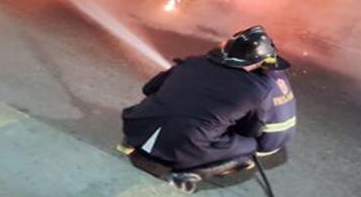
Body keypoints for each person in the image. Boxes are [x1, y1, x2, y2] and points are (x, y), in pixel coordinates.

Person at [120, 26, 296, 179]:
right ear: (258, 62)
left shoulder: (192, 62)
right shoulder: (258, 89)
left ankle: (132, 143)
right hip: (182, 150)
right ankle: (191, 173)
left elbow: (150, 88)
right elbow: (250, 130)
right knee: (250, 146)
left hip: (136, 128)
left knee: (163, 108)